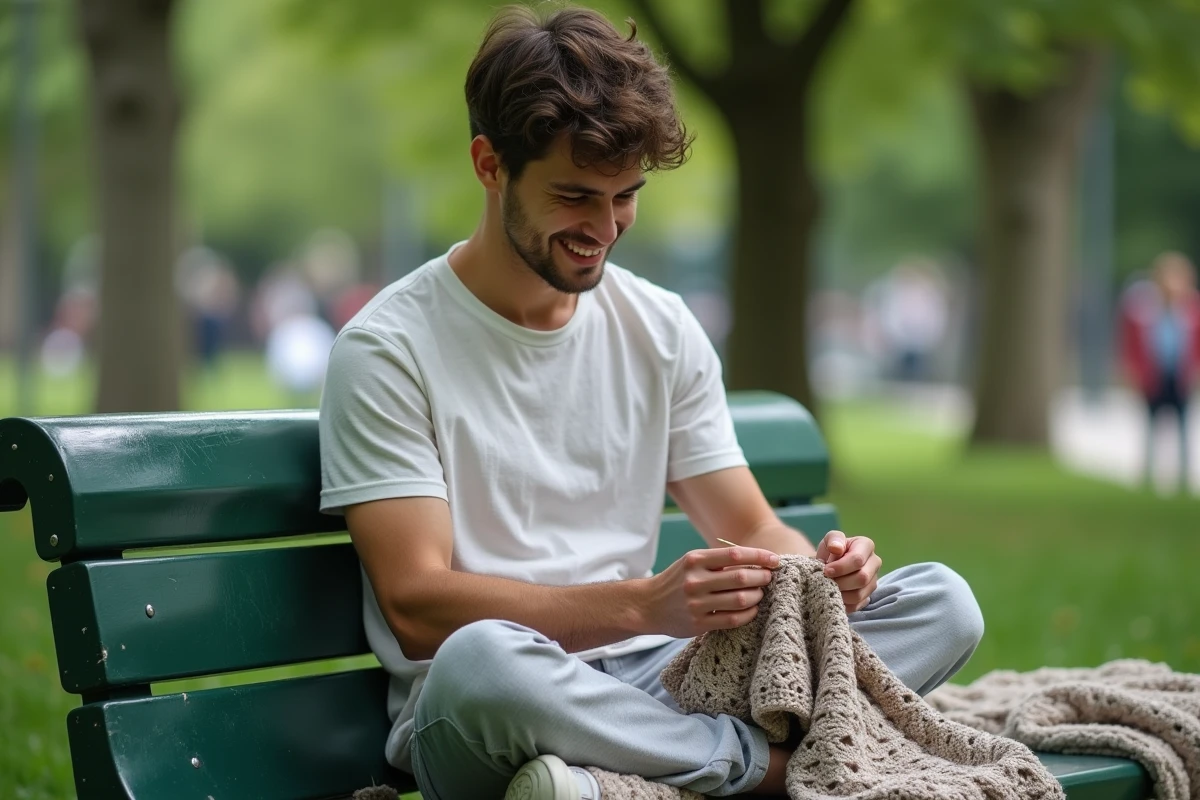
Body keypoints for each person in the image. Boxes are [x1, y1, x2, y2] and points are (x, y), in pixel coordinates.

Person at [317, 6, 984, 799]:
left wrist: (822, 574)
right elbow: (419, 607)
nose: (603, 228)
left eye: (624, 196)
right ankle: (761, 770)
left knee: (945, 603)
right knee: (481, 660)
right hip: (493, 709)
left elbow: (751, 524)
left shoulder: (659, 326)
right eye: (574, 196)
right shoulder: (388, 347)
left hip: (656, 683)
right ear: (490, 165)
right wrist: (646, 605)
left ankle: (626, 776)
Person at [1118, 251, 1200, 492]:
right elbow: (1130, 345)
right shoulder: (1142, 310)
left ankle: (1184, 478)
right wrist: (1132, 372)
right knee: (1151, 428)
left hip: (1180, 376)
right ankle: (1148, 477)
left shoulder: (1192, 311)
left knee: (1183, 427)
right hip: (1153, 376)